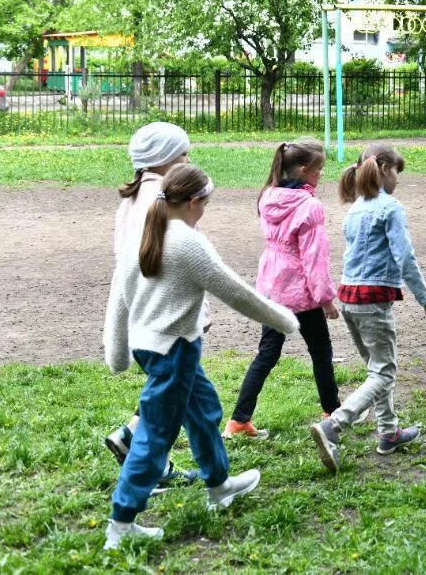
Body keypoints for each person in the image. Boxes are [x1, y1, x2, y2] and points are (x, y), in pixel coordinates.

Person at [102, 165, 299, 550]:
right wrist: (285, 320)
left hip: (157, 349)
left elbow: (118, 298)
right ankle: (121, 524)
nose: (205, 210)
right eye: (205, 203)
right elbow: (236, 293)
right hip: (173, 352)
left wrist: (118, 354)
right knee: (155, 435)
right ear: (193, 202)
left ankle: (219, 486)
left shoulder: (144, 232)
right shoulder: (187, 243)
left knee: (204, 413)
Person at [310, 144, 426, 473]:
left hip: (350, 299)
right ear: (382, 168)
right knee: (384, 372)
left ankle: (388, 432)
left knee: (377, 370)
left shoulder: (355, 208)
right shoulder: (389, 207)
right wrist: (424, 296)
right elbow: (405, 256)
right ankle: (333, 426)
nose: (397, 179)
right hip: (371, 301)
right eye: (396, 172)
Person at [225, 138, 341, 440]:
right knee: (320, 352)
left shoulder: (268, 197)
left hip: (272, 287)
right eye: (319, 169)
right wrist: (326, 298)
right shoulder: (309, 207)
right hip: (301, 293)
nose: (321, 174)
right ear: (303, 170)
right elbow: (314, 258)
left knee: (267, 352)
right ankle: (333, 412)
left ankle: (239, 420)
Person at [104, 122, 199, 489]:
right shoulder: (160, 199)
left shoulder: (132, 198)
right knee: (173, 389)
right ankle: (141, 457)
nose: (188, 160)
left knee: (173, 386)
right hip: (163, 312)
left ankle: (135, 439)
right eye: (182, 155)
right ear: (162, 159)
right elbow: (177, 260)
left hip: (141, 308)